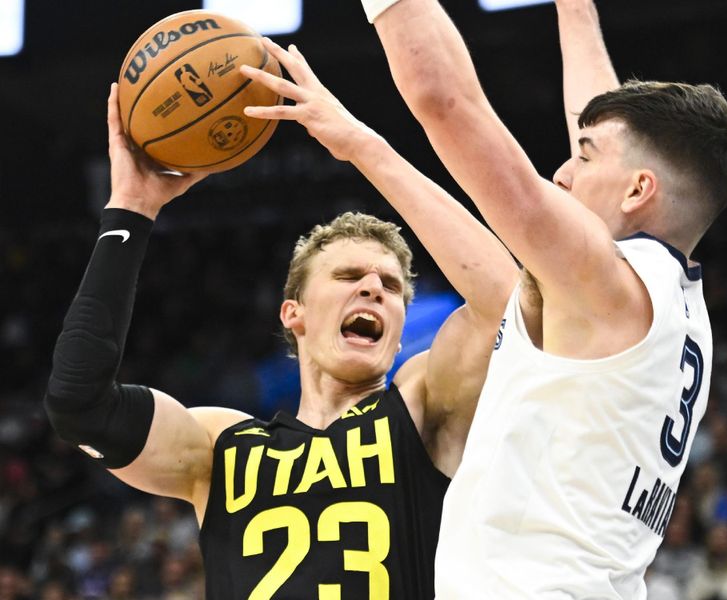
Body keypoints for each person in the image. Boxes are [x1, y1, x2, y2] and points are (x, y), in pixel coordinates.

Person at [43, 55, 517, 599]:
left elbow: (505, 300)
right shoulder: (220, 449)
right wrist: (128, 210)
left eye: (390, 287)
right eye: (348, 276)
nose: (373, 290)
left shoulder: (422, 408)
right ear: (295, 314)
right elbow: (79, 404)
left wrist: (363, 147)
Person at [350, 0, 727, 597]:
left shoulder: (606, 287)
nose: (562, 173)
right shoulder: (668, 296)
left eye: (582, 158)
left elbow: (445, 101)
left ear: (640, 190)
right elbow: (602, 129)